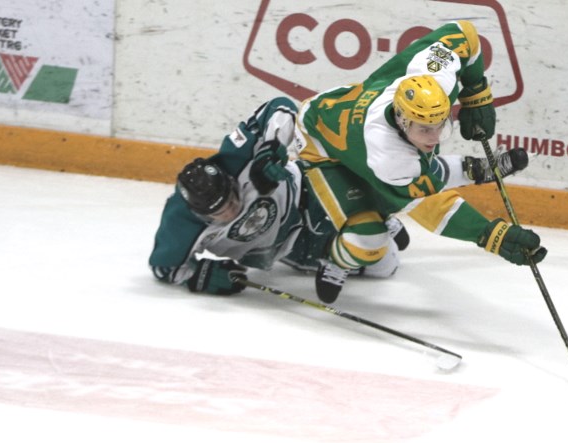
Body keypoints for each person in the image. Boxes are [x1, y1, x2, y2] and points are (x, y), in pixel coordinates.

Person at [273, 20, 546, 303]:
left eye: (440, 124)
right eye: (425, 129)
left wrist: (476, 92)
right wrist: (490, 235)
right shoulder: (387, 154)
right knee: (367, 240)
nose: (435, 136)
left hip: (341, 110)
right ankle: (337, 260)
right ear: (402, 120)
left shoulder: (434, 80)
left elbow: (464, 33)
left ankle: (388, 202)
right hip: (321, 146)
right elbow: (429, 203)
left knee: (406, 180)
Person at [148, 97, 406, 295]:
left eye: (231, 199)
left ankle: (374, 214)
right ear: (200, 213)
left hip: (308, 191)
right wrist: (198, 277)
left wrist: (270, 148)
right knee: (386, 264)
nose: (231, 211)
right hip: (292, 245)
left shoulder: (236, 157)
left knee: (344, 167)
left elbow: (281, 106)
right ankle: (366, 230)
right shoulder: (180, 223)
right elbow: (164, 268)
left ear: (228, 179)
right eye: (220, 213)